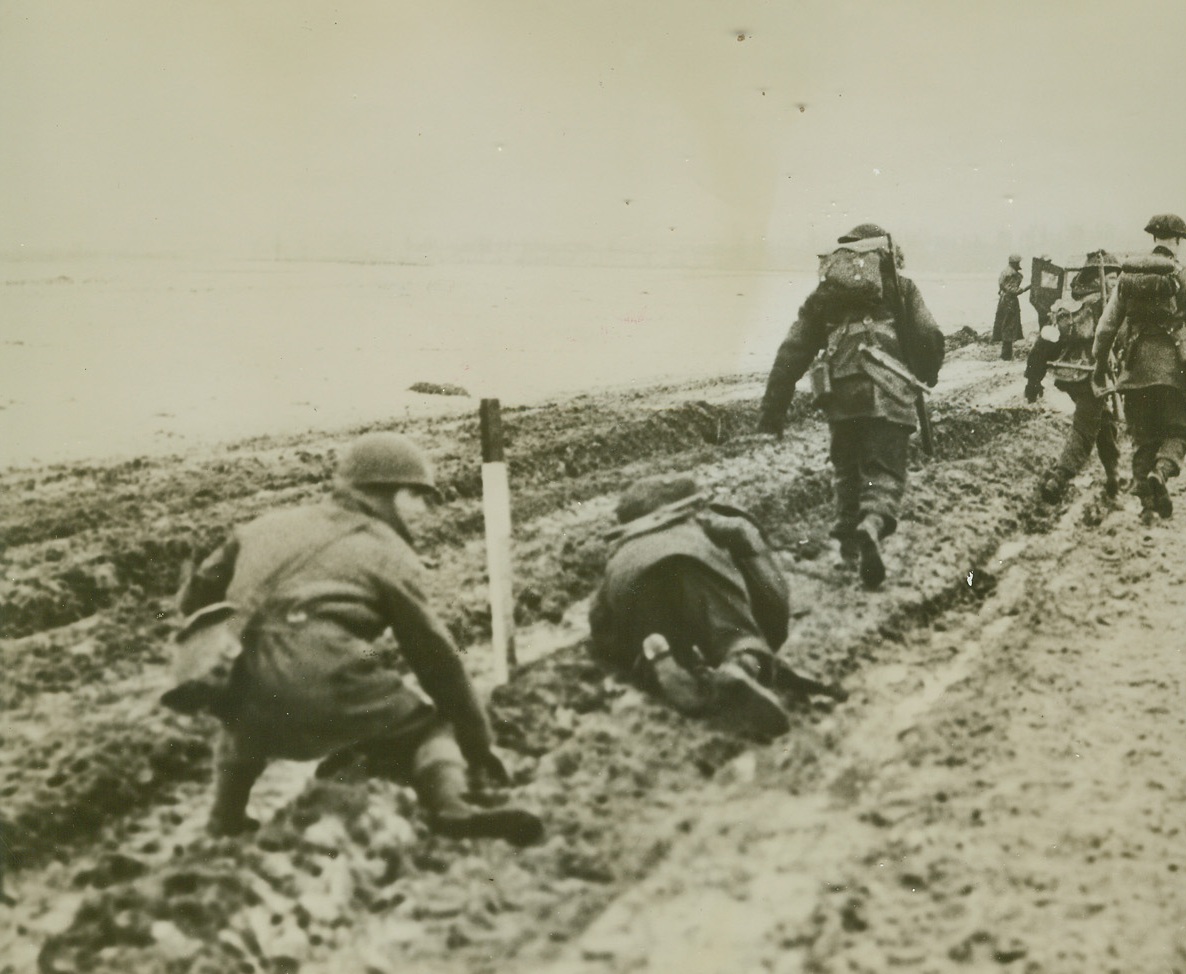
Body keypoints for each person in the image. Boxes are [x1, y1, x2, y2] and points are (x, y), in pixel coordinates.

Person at [175, 431, 545, 845]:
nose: (426, 509)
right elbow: (434, 657)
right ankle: (451, 806)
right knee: (430, 729)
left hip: (237, 676)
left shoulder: (266, 525)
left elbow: (196, 596)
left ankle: (225, 819)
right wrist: (477, 744)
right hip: (321, 673)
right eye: (419, 495)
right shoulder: (389, 552)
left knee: (242, 719)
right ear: (388, 492)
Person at [757, 223, 945, 589]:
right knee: (885, 471)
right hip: (890, 387)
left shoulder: (825, 295)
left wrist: (772, 412)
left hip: (840, 393)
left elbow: (792, 351)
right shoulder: (900, 288)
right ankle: (872, 523)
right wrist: (926, 374)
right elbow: (928, 336)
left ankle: (847, 551)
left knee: (846, 470)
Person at [588, 475, 795, 738]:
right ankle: (740, 665)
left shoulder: (620, 550)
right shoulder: (702, 526)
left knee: (651, 634)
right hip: (688, 562)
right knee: (732, 632)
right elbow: (774, 604)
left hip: (630, 584)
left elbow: (599, 622)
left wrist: (616, 646)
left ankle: (657, 659)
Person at [1092, 214, 1186, 522]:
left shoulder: (1128, 275)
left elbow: (1106, 327)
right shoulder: (1185, 276)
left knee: (1144, 439)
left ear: (1154, 239)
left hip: (1134, 371)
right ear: (1177, 240)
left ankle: (1149, 508)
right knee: (1180, 432)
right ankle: (1160, 474)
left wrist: (1099, 362)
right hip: (1173, 373)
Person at [1025, 250, 1123, 502]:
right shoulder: (1099, 306)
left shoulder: (1071, 306)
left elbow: (1046, 340)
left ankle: (1113, 476)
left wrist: (1033, 378)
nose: (1115, 283)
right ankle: (1057, 480)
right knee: (1085, 429)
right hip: (1092, 377)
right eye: (1112, 278)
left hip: (1072, 377)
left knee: (1105, 422)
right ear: (1098, 278)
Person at [993, 254, 1030, 360]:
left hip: (1005, 301)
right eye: (1018, 263)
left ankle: (1006, 354)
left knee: (1006, 325)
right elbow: (1012, 289)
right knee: (1008, 326)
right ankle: (1006, 355)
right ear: (1014, 263)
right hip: (1009, 302)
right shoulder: (1011, 273)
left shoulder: (1006, 271)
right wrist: (1027, 288)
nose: (1019, 265)